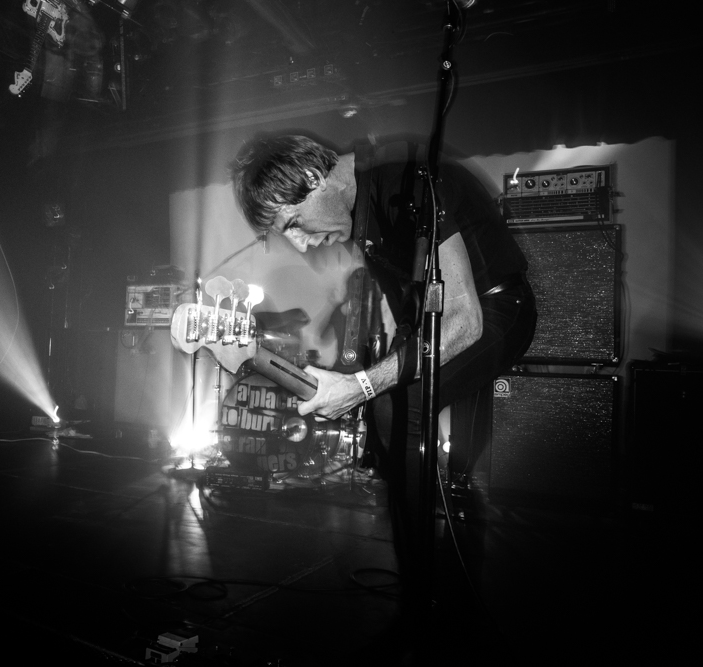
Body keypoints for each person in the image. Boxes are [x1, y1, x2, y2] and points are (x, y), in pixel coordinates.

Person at [230, 134, 537, 596]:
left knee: (397, 408)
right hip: (450, 318)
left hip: (499, 308)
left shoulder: (407, 185)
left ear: (314, 179)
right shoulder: (365, 211)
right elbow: (410, 308)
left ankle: (423, 588)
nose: (299, 244)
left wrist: (361, 386)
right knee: (390, 411)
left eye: (294, 223)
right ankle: (432, 572)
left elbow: (464, 320)